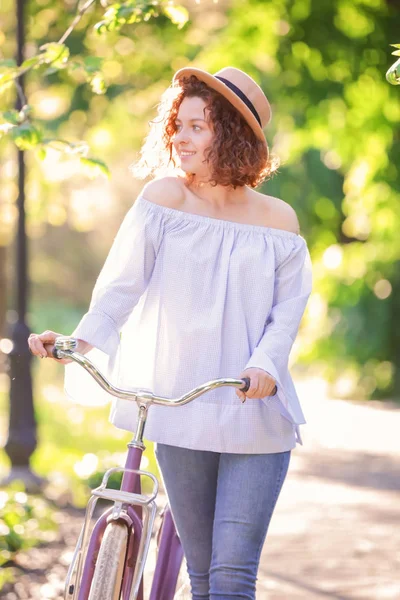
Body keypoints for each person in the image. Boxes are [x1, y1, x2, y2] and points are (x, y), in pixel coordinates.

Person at [28, 66, 313, 599]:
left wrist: (265, 367)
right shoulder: (163, 202)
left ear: (230, 136)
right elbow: (119, 290)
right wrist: (76, 343)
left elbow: (286, 315)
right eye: (177, 124)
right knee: (201, 576)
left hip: (254, 414)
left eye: (198, 126)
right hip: (179, 411)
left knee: (231, 577)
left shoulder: (279, 222)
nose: (180, 137)